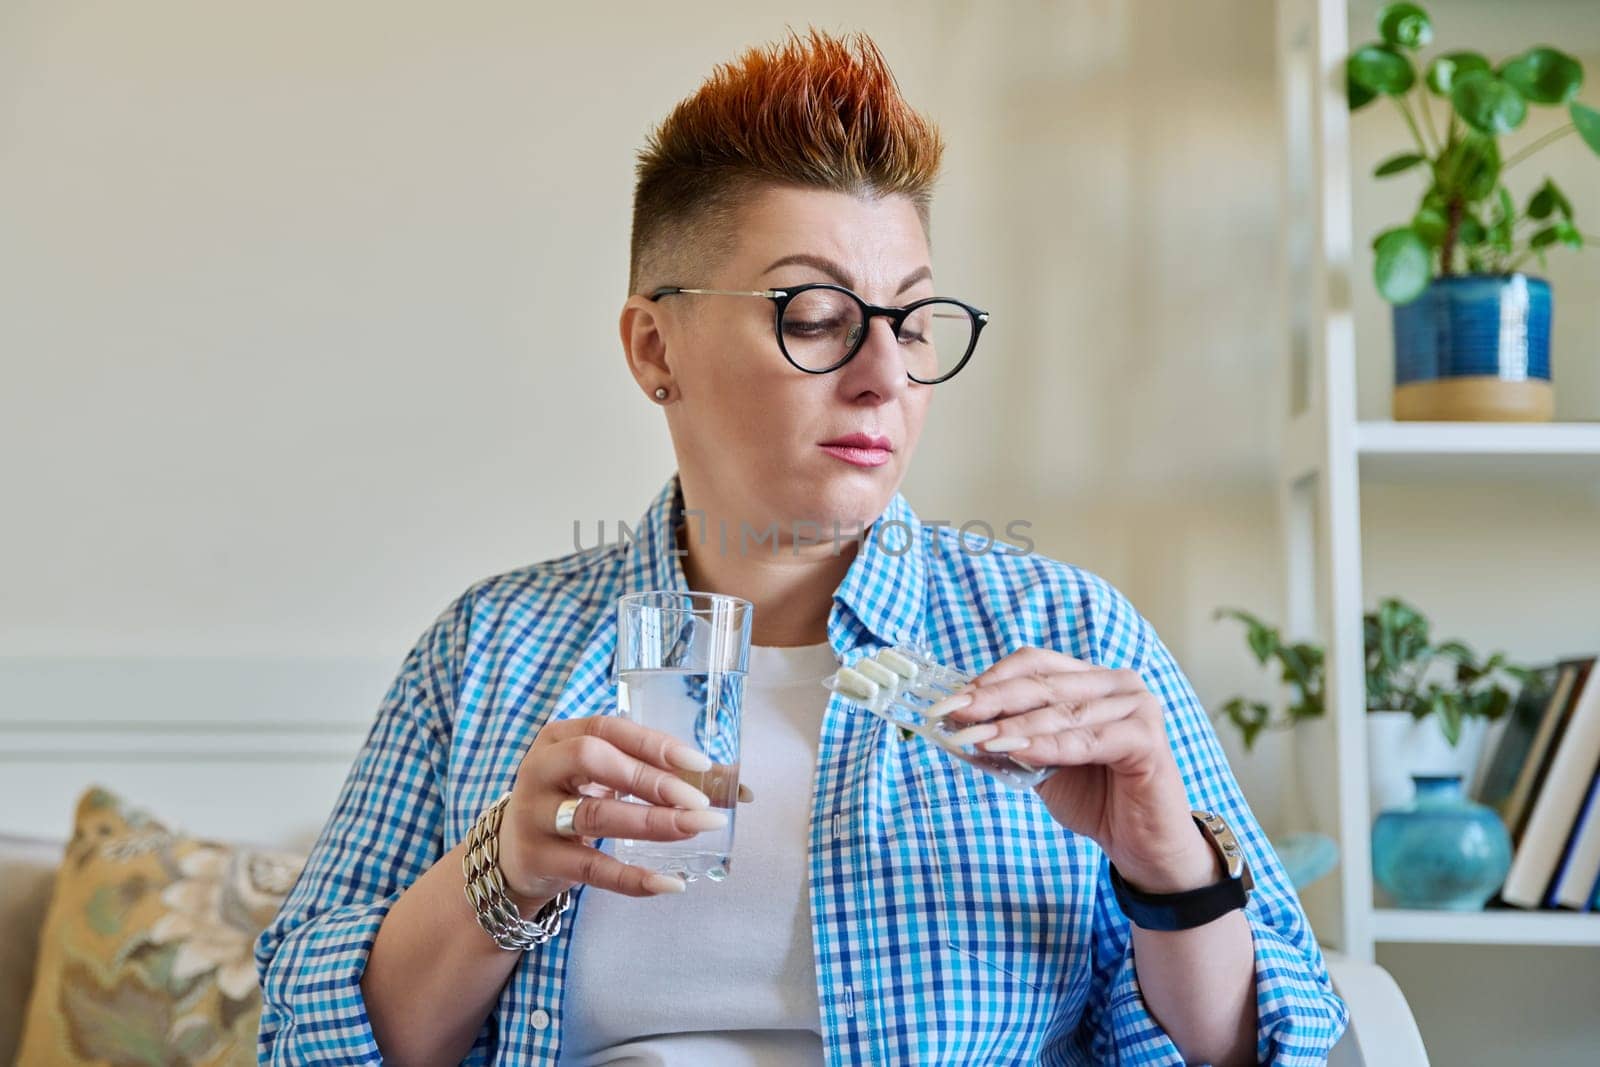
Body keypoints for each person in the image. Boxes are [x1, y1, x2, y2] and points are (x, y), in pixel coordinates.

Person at [255, 27, 1348, 1066]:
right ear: (654, 345)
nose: (885, 374)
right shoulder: (490, 648)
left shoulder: (1067, 636)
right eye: (816, 316)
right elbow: (307, 1038)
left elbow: (1270, 1041)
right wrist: (505, 869)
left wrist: (1171, 869)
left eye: (913, 323)